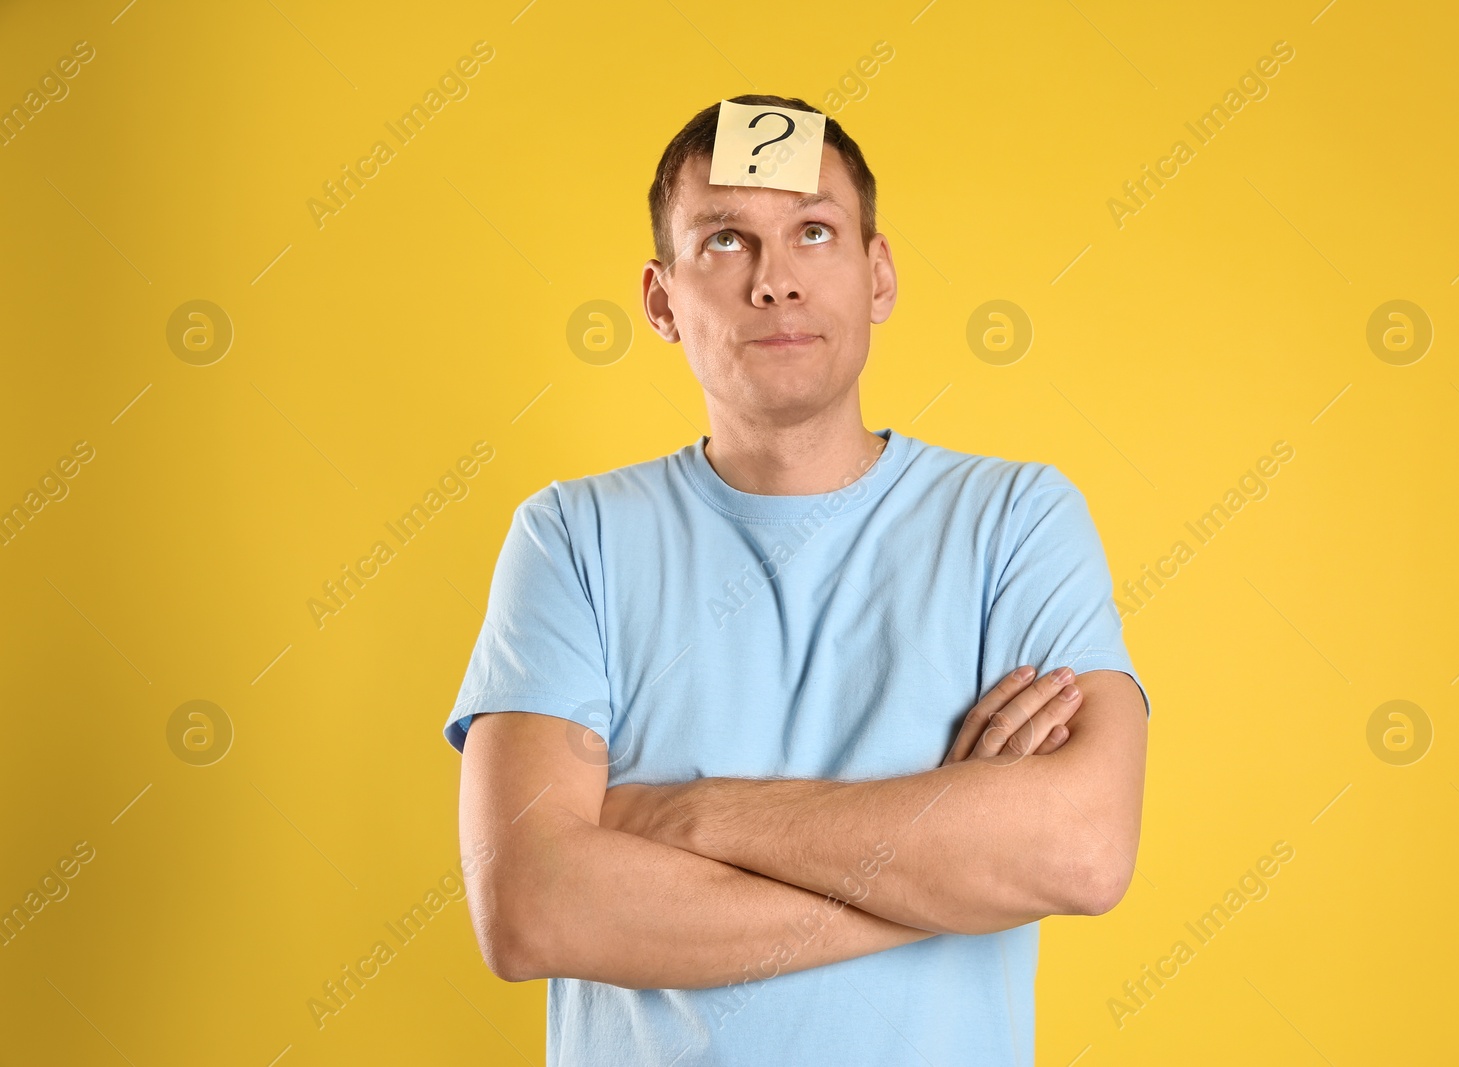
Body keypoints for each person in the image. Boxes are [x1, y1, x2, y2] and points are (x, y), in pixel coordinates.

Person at [444, 93, 1151, 1066]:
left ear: (878, 273)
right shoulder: (572, 537)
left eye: (813, 231)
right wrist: (942, 873)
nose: (774, 281)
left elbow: (1080, 848)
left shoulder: (1014, 518)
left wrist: (688, 815)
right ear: (660, 299)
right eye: (726, 241)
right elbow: (531, 907)